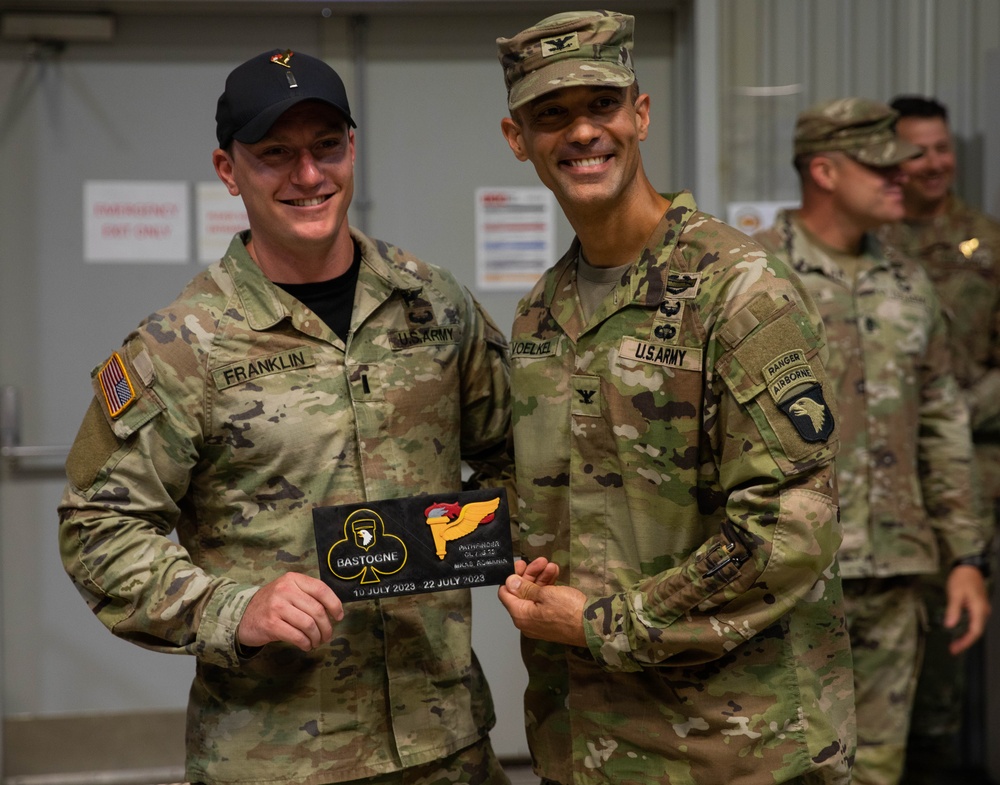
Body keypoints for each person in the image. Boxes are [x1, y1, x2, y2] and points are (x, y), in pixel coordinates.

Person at [58, 49, 514, 785]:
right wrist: (230, 607)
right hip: (275, 757)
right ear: (228, 169)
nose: (308, 176)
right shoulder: (182, 346)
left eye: (325, 147)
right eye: (275, 155)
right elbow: (96, 528)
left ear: (352, 150)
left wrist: (475, 537)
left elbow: (514, 459)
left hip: (446, 742)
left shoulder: (435, 304)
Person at [493, 10, 855, 785]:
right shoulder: (540, 313)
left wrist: (603, 624)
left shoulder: (736, 290)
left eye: (602, 106)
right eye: (551, 114)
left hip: (736, 747)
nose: (582, 132)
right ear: (517, 138)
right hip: (586, 742)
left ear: (641, 114)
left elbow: (790, 524)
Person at [753, 97, 991, 785]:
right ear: (825, 170)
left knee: (881, 764)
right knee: (785, 765)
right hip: (790, 577)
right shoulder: (755, 277)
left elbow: (942, 425)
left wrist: (966, 554)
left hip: (894, 571)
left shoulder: (910, 282)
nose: (904, 178)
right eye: (883, 166)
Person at [881, 94, 1000, 784]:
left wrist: (952, 407)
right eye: (917, 150)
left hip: (970, 491)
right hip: (887, 492)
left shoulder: (988, 242)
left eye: (943, 148)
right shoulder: (873, 243)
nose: (935, 164)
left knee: (948, 681)